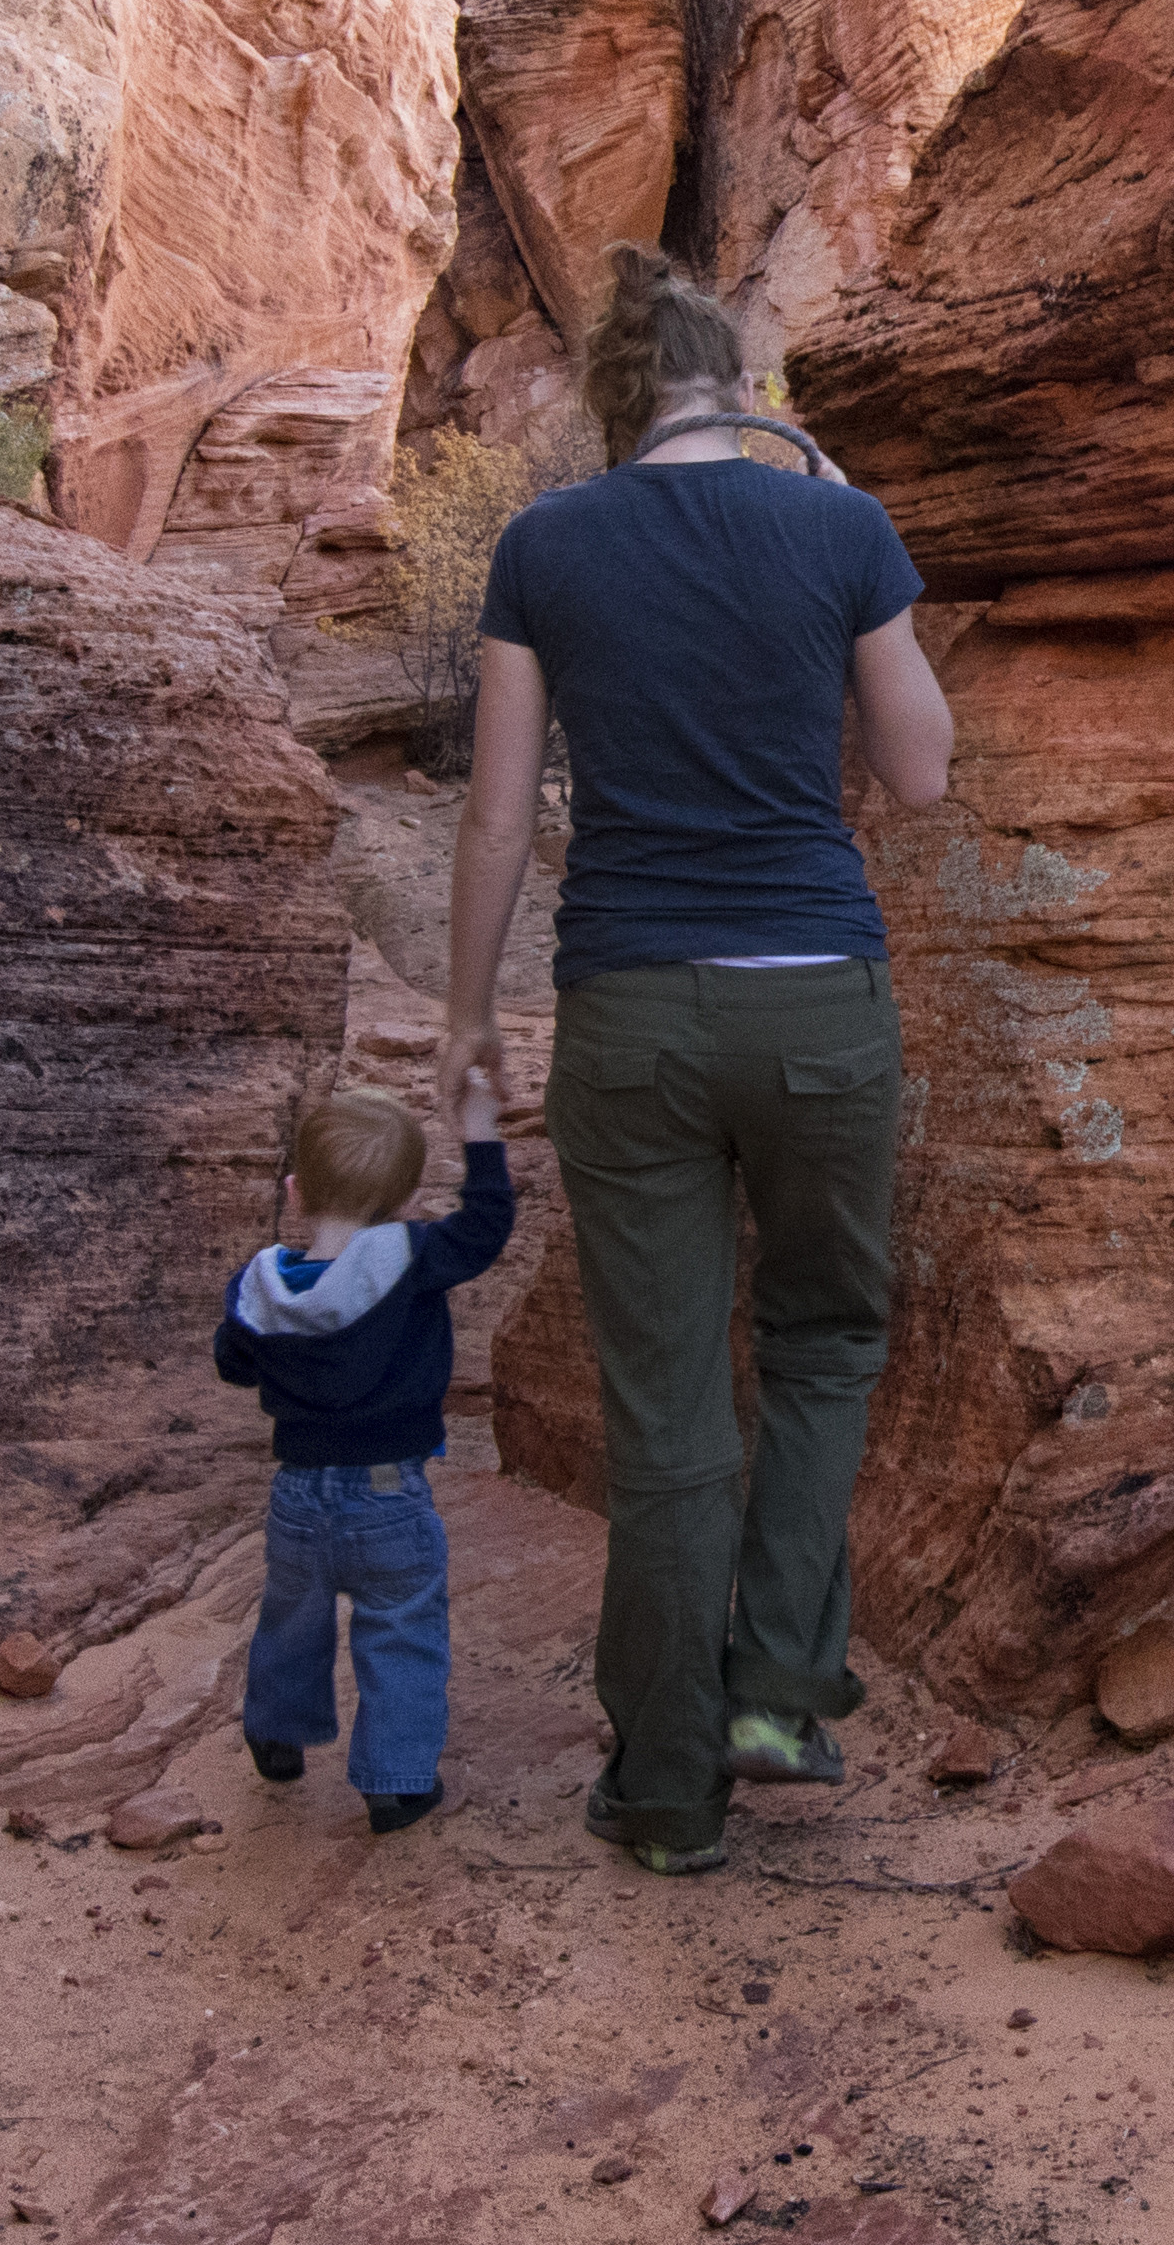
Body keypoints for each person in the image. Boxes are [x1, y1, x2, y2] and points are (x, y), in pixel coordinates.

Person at [434, 247, 952, 1876]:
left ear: (608, 391)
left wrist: (462, 1029)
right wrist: (855, 521)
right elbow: (924, 773)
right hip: (815, 1002)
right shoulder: (837, 528)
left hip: (631, 1010)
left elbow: (501, 818)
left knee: (667, 1414)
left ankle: (665, 1793)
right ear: (743, 385)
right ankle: (779, 1690)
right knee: (820, 1342)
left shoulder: (545, 547)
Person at [211, 1064, 517, 1837]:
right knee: (401, 1625)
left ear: (294, 1192)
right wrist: (480, 1131)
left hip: (297, 1496)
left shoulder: (262, 1287)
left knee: (291, 1616)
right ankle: (396, 1781)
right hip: (388, 1492)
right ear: (408, 1203)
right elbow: (484, 1230)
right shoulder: (409, 1257)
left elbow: (232, 1361)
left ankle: (277, 1733)